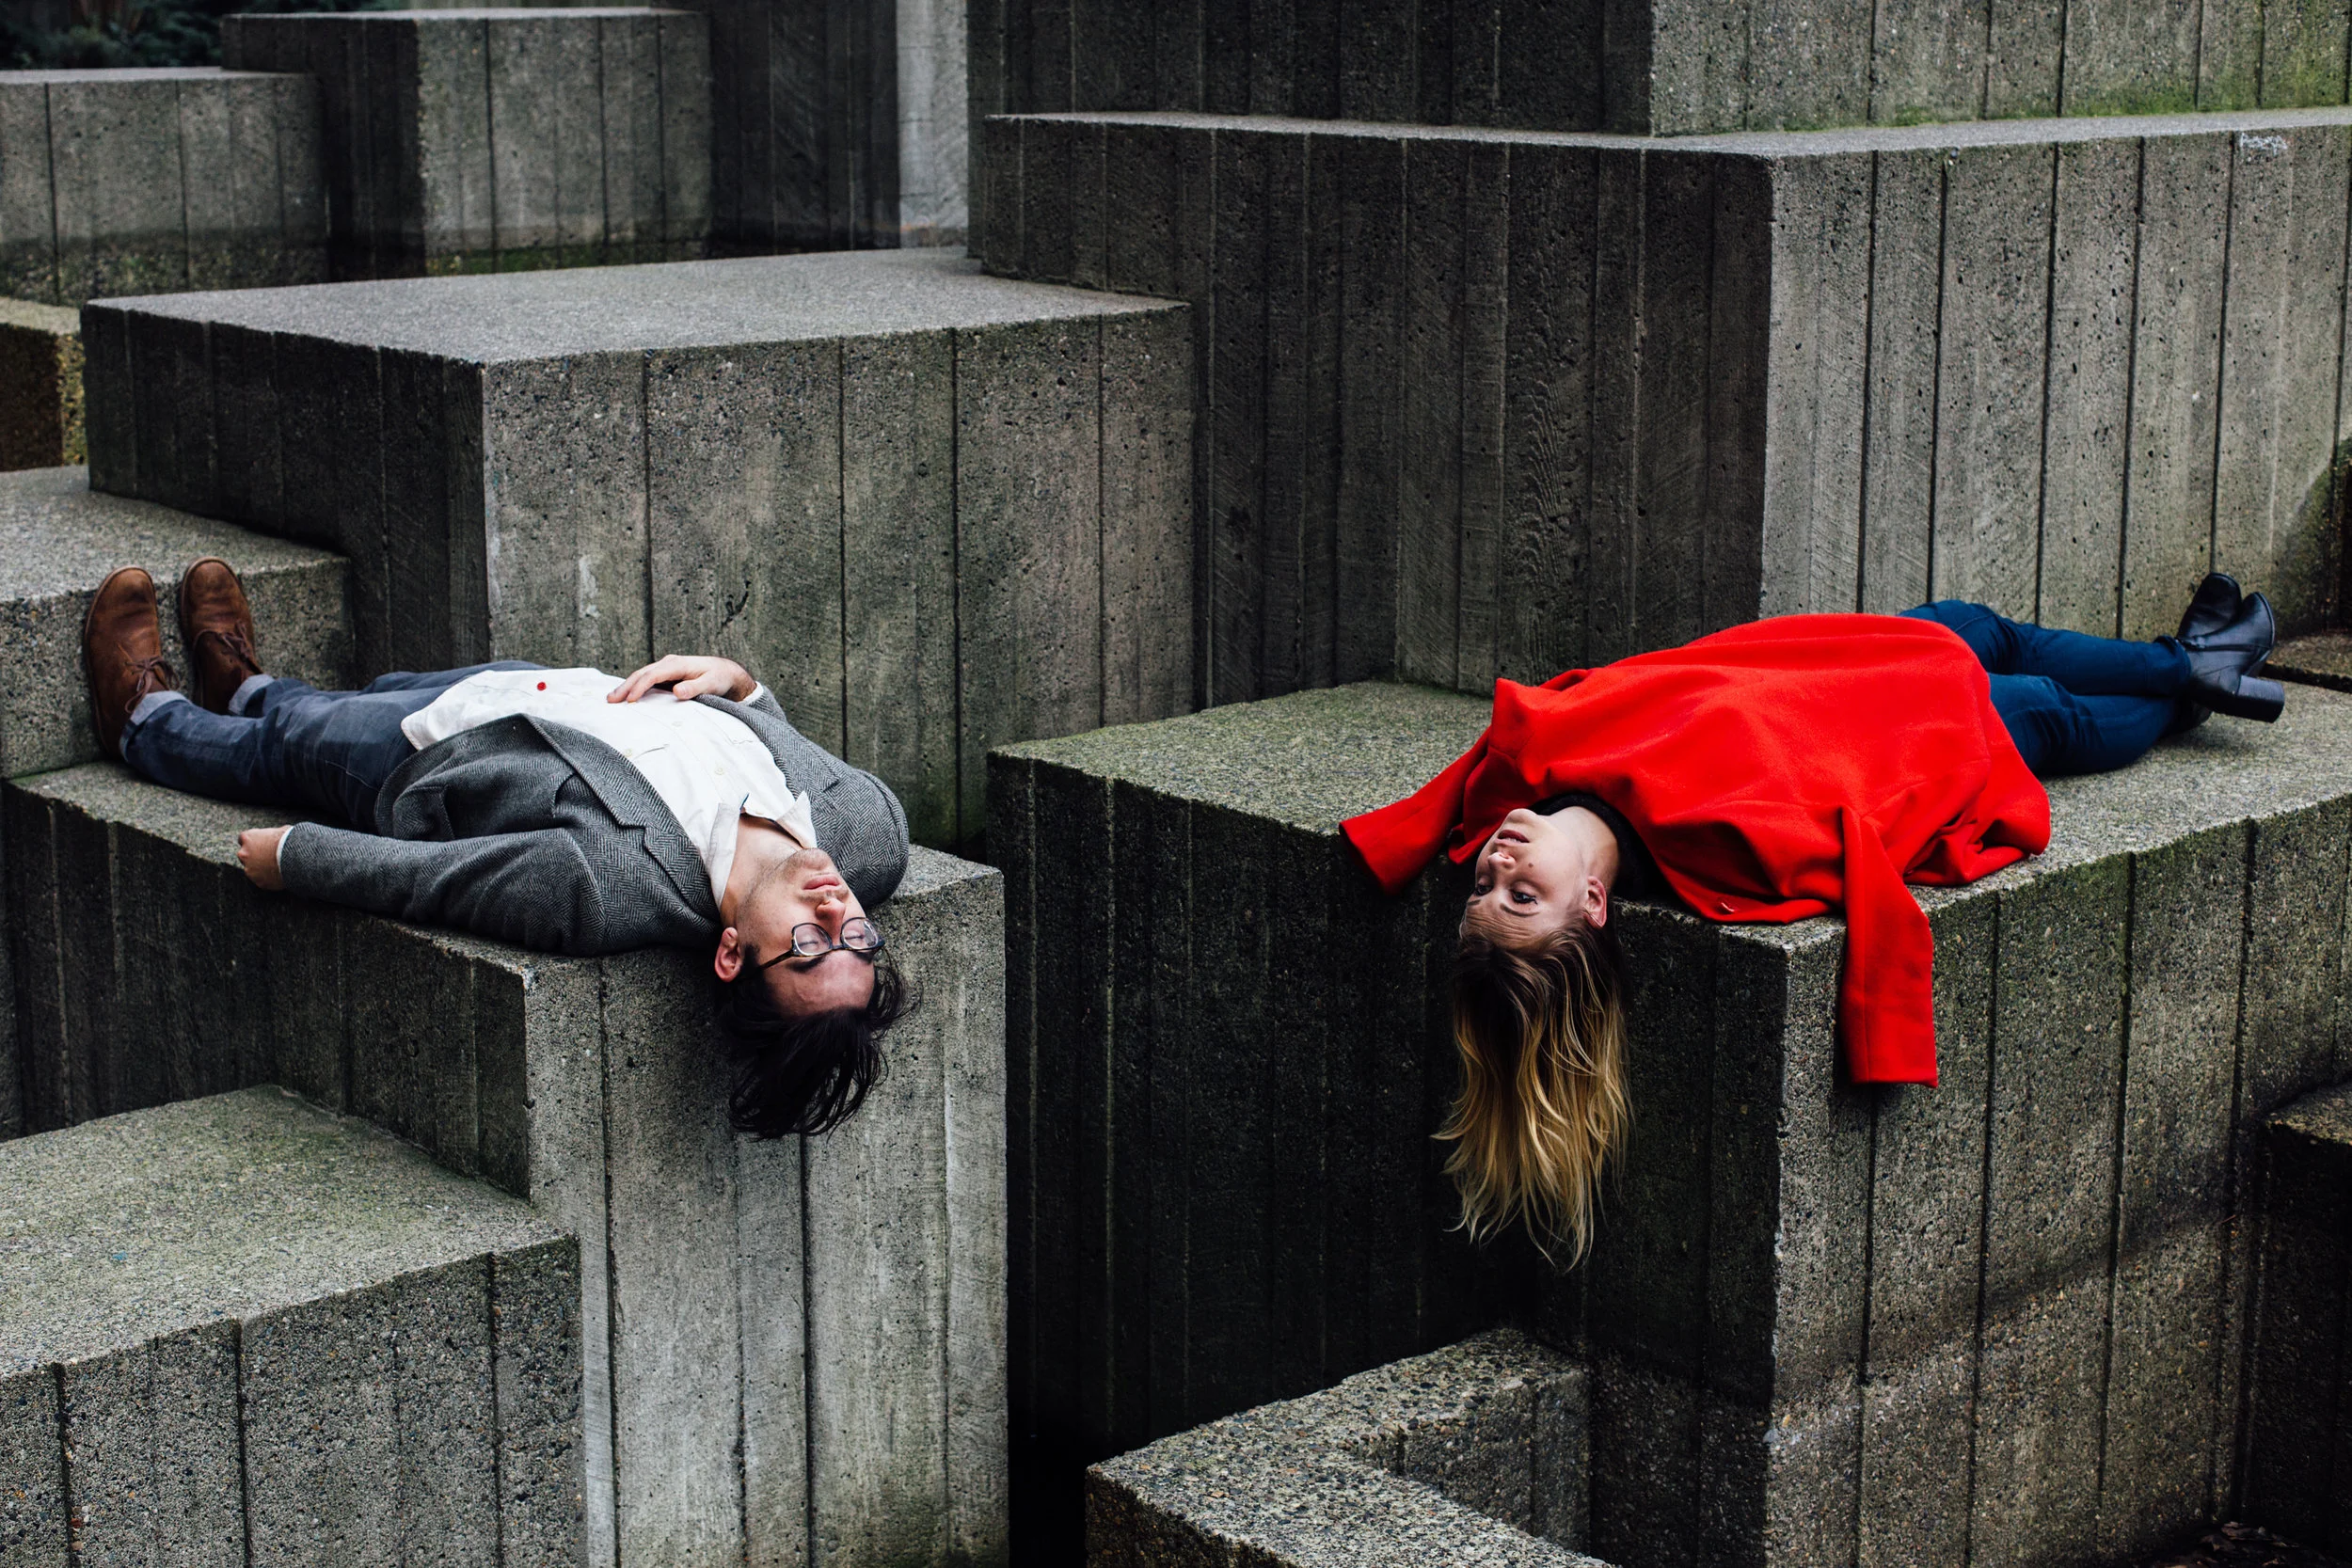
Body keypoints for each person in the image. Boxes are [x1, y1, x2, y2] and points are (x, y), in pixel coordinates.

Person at [1341, 576, 2283, 1255]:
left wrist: (1393, 845)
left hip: (1841, 660)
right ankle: (2190, 684)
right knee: (2044, 708)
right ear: (1592, 906)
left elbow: (1459, 793)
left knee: (1968, 622)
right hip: (1911, 725)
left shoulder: (1520, 763)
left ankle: (2193, 661)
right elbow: (1860, 831)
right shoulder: (1715, 853)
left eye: (1483, 891)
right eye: (1520, 895)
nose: (1496, 864)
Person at [78, 557, 914, 1138]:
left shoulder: (608, 885)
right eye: (858, 938)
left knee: (291, 742)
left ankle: (145, 721)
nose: (835, 909)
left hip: (436, 750)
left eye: (811, 946)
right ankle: (245, 686)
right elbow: (789, 745)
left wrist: (297, 858)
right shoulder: (871, 832)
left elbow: (442, 880)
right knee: (364, 689)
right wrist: (741, 684)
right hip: (553, 689)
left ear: (732, 954)